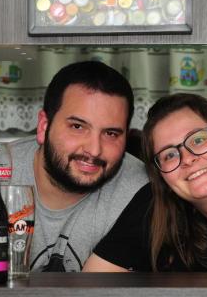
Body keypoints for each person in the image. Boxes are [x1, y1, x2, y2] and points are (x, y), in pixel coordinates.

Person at [83, 93, 207, 272]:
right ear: (161, 176)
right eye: (169, 155)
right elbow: (92, 281)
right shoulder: (154, 205)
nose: (187, 159)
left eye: (198, 140)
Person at [9, 61, 148, 272]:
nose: (94, 150)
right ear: (43, 126)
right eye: (77, 126)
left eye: (111, 133)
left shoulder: (141, 190)